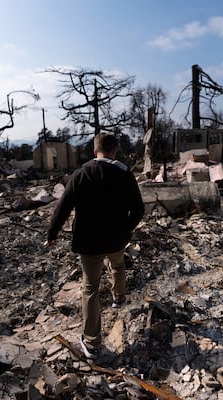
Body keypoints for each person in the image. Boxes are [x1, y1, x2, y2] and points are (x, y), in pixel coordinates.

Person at [46, 133, 144, 359]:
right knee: (118, 265)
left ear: (94, 151)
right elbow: (138, 209)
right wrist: (125, 229)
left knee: (90, 287)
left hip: (88, 242)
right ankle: (118, 298)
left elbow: (63, 207)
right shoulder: (124, 174)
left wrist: (52, 232)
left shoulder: (80, 174)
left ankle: (92, 342)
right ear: (115, 150)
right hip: (116, 239)